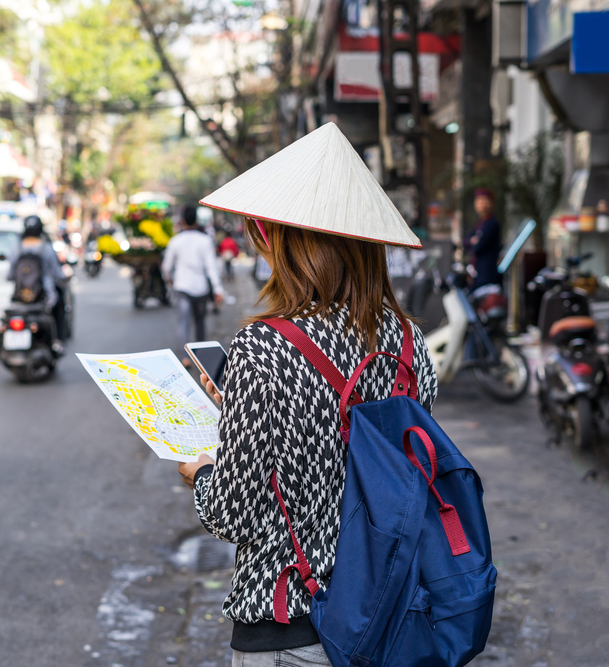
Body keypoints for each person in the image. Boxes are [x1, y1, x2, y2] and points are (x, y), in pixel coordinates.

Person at [176, 123, 439, 666]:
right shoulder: (411, 344)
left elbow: (233, 513)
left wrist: (201, 472)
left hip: (292, 631)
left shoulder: (263, 349)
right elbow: (363, 459)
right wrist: (242, 411)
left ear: (281, 241)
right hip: (389, 620)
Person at [161, 206, 225, 367]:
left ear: (182, 221)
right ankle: (200, 357)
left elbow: (166, 267)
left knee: (183, 323)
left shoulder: (175, 241)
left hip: (182, 287)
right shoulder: (205, 240)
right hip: (201, 289)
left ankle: (185, 357)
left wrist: (169, 280)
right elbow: (211, 267)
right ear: (196, 220)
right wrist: (218, 289)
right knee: (200, 322)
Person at [8, 215, 67, 344]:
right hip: (45, 296)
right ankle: (58, 341)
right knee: (60, 305)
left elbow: (10, 275)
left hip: (19, 296)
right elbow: (57, 273)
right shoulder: (46, 248)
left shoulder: (16, 248)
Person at [467, 188, 502, 290]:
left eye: (485, 201)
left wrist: (474, 241)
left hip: (487, 274)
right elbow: (466, 240)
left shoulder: (492, 224)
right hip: (478, 272)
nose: (482, 205)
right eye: (480, 202)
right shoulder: (479, 223)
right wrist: (472, 241)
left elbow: (478, 246)